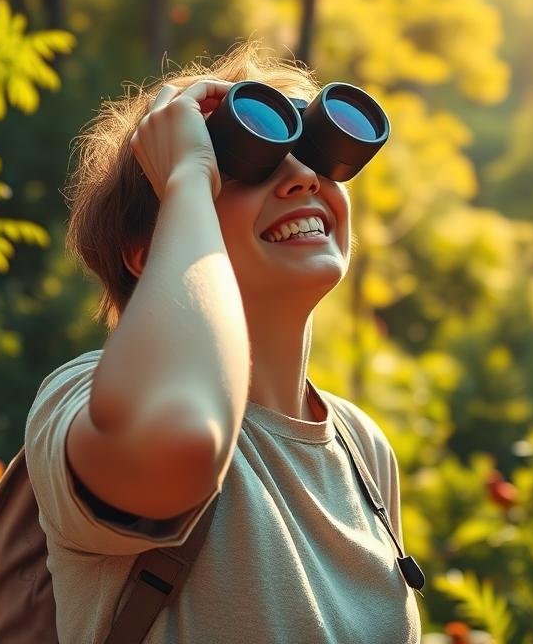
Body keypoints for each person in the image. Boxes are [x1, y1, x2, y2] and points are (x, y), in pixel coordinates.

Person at [25, 42, 421, 642]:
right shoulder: (81, 397)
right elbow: (182, 435)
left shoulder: (364, 450)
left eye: (313, 154)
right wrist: (186, 177)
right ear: (146, 253)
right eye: (244, 166)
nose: (303, 177)